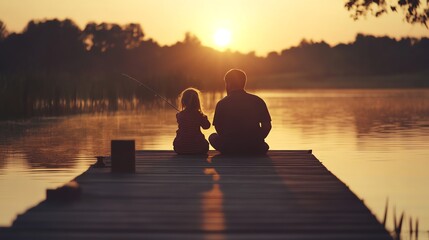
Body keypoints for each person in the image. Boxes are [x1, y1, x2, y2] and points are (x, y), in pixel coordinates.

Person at [209, 69, 271, 154]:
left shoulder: (222, 103)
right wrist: (257, 139)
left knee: (212, 137)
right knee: (264, 146)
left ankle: (232, 150)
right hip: (254, 147)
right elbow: (267, 126)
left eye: (226, 84)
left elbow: (218, 128)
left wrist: (230, 140)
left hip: (230, 147)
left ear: (229, 84)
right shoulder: (258, 100)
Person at [173, 88, 211, 154]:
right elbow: (206, 126)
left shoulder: (179, 115)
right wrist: (204, 117)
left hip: (180, 148)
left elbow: (181, 120)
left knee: (177, 141)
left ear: (183, 102)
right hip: (198, 148)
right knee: (205, 144)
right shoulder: (199, 115)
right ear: (197, 102)